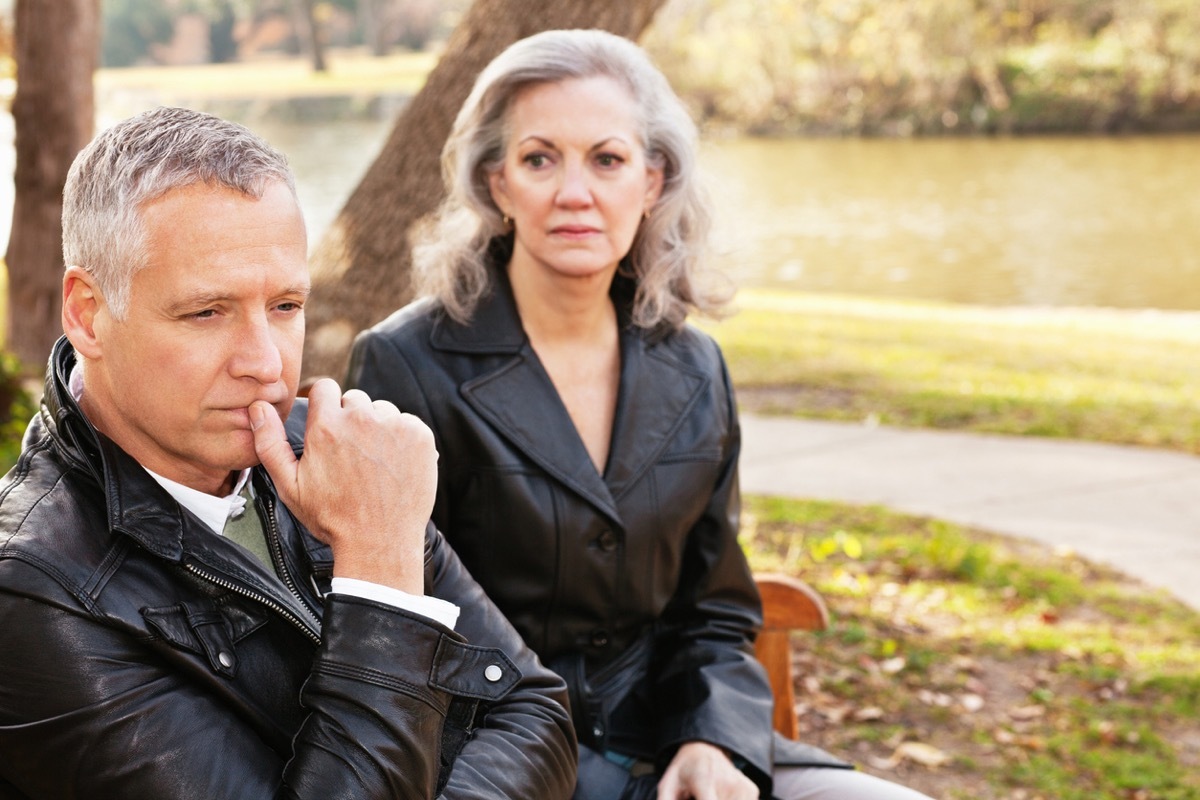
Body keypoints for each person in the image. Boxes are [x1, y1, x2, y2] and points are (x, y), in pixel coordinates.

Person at [346, 28, 932, 800]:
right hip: (494, 760)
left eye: (608, 159)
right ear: (497, 183)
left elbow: (714, 611)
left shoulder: (695, 368)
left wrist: (711, 740)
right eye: (539, 158)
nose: (575, 192)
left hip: (672, 737)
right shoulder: (404, 365)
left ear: (652, 181)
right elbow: (394, 627)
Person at [0, 106, 577, 798]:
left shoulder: (336, 455)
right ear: (89, 313)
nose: (265, 363)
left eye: (285, 306)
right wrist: (380, 573)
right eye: (206, 312)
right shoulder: (36, 588)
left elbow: (534, 710)